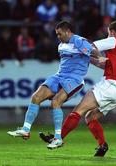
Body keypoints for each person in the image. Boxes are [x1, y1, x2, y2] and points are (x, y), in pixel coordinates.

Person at [40, 21, 116, 157]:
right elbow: (103, 65)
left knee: (79, 110)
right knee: (90, 117)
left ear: (112, 32)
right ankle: (102, 145)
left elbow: (91, 46)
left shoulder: (114, 40)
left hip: (109, 85)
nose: (108, 36)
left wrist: (80, 45)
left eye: (108, 33)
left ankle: (58, 138)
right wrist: (88, 58)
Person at [7, 20, 102, 149]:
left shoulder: (78, 41)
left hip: (74, 80)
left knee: (56, 102)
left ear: (68, 32)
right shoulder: (61, 45)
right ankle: (26, 129)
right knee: (36, 97)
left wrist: (100, 57)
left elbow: (92, 51)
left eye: (59, 34)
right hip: (59, 76)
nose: (58, 37)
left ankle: (58, 138)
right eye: (56, 34)